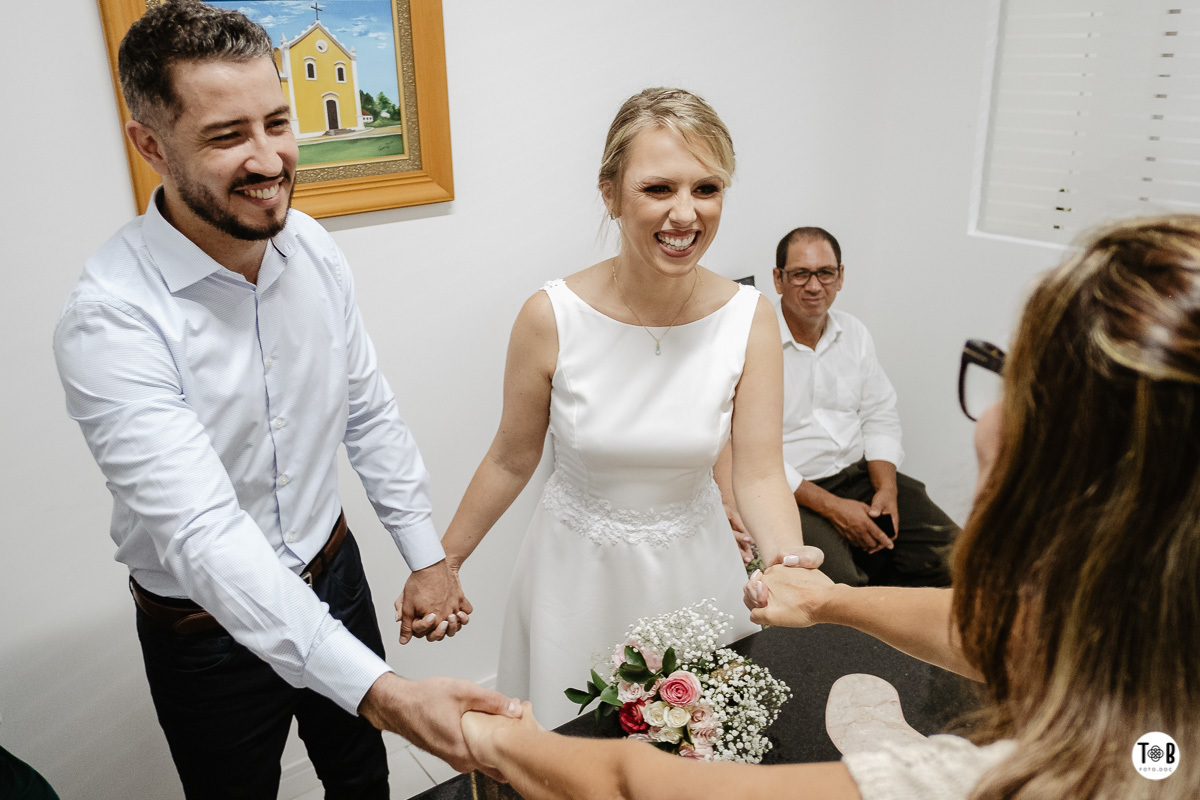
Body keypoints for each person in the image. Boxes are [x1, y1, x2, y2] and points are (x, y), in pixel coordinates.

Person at [457, 214, 1200, 799]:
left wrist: (488, 743)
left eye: (1018, 377)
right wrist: (835, 601)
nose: (992, 417)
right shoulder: (1152, 677)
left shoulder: (995, 780)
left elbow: (638, 785)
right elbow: (1013, 631)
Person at [52, 2, 517, 797]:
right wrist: (390, 695)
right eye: (228, 135)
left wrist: (427, 556)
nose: (269, 159)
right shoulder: (109, 321)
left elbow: (366, 409)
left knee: (363, 779)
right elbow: (203, 536)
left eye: (277, 122)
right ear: (151, 146)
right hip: (206, 631)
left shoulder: (312, 249)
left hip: (334, 575)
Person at [429, 87, 813, 728]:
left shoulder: (749, 319)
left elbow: (760, 471)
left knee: (692, 751)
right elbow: (510, 457)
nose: (685, 214)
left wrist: (787, 565)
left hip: (697, 575)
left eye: (707, 189)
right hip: (576, 578)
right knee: (576, 751)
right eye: (658, 189)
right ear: (610, 193)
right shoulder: (550, 317)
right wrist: (444, 563)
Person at [728, 226, 958, 586]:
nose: (815, 286)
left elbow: (879, 414)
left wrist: (887, 488)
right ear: (778, 279)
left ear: (840, 276)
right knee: (839, 591)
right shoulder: (751, 342)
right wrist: (835, 509)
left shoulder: (853, 333)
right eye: (801, 274)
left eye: (825, 273)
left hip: (860, 476)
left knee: (959, 557)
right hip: (793, 491)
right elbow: (751, 454)